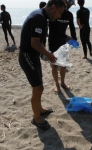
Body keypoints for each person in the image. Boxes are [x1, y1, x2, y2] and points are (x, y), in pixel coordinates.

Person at [18, 0, 65, 130]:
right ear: (54, 7)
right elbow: (34, 43)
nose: (60, 16)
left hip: (33, 56)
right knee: (37, 88)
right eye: (60, 12)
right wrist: (49, 55)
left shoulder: (42, 17)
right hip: (27, 55)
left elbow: (39, 42)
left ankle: (40, 109)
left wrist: (45, 55)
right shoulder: (39, 16)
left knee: (40, 87)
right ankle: (36, 118)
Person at [48, 0, 77, 94]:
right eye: (68, 4)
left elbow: (72, 27)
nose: (69, 6)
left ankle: (63, 83)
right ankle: (56, 84)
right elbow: (52, 30)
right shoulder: (55, 12)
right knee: (55, 64)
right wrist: (66, 37)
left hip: (62, 42)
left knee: (63, 64)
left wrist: (74, 39)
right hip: (53, 41)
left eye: (71, 5)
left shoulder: (69, 15)